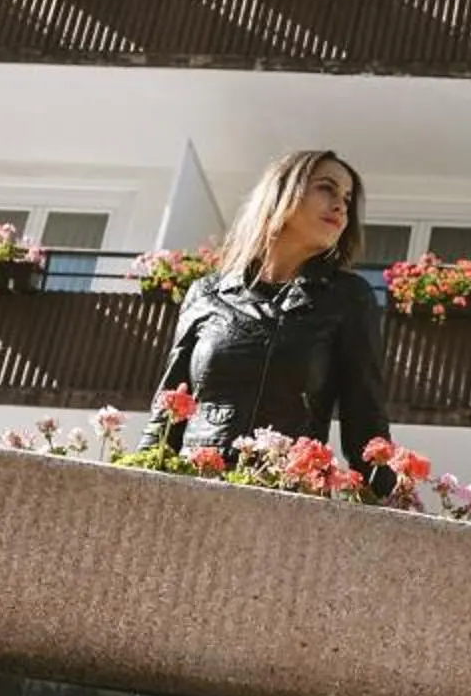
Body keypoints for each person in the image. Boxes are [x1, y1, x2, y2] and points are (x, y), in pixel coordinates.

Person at [153, 147, 392, 486]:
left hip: (286, 494)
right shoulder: (206, 293)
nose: (341, 205)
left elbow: (365, 418)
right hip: (194, 486)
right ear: (282, 191)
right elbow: (168, 409)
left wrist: (383, 502)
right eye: (326, 188)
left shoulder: (348, 298)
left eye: (348, 198)